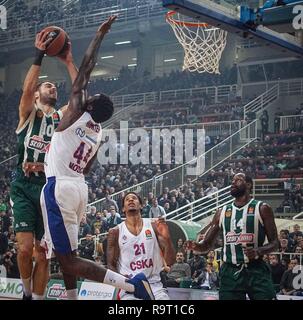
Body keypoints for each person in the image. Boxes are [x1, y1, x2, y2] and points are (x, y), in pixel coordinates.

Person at [40, 16, 154, 301]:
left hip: (60, 186)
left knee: (68, 261)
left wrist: (99, 35)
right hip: (79, 188)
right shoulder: (98, 130)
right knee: (68, 251)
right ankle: (71, 296)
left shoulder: (77, 112)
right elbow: (89, 166)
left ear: (89, 103)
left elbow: (86, 70)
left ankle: (132, 285)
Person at [9, 30, 78, 300]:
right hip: (24, 184)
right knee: (25, 249)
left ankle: (37, 298)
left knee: (43, 253)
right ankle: (27, 292)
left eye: (54, 86)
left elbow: (79, 97)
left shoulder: (60, 118)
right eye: (47, 85)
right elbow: (27, 88)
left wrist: (68, 61)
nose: (53, 87)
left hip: (48, 187)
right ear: (37, 94)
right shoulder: (28, 113)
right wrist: (39, 54)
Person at [186, 173, 279, 300]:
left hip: (256, 269)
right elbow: (206, 246)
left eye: (238, 180)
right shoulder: (221, 212)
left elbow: (275, 243)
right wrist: (196, 246)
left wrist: (258, 251)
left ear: (248, 185)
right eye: (232, 180)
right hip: (230, 272)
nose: (233, 182)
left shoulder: (262, 208)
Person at [107, 192, 175, 300]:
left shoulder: (154, 225)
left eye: (134, 198)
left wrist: (167, 239)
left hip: (155, 286)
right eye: (127, 199)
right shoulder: (115, 232)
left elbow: (170, 261)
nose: (131, 200)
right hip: (129, 288)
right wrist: (123, 282)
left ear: (141, 205)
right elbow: (110, 265)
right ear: (123, 209)